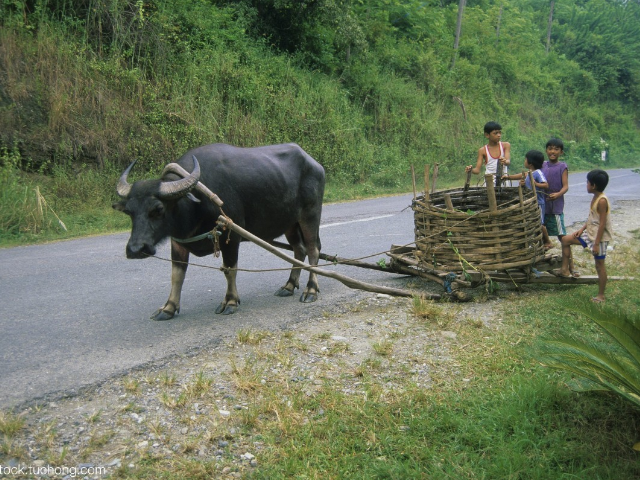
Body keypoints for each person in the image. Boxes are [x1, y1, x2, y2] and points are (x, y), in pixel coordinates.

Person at [554, 169, 613, 304]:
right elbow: (592, 217)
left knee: (599, 265)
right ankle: (565, 269)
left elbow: (602, 223)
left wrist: (597, 244)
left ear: (593, 186)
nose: (586, 185)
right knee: (565, 240)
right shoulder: (595, 197)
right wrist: (581, 230)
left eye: (587, 183)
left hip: (600, 237)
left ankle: (601, 295)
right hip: (590, 233)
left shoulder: (602, 200)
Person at [502, 150, 552, 249]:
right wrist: (508, 177)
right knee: (533, 222)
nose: (524, 161)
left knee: (540, 223)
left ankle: (548, 242)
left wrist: (535, 184)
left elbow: (546, 185)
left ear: (530, 163)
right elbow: (521, 175)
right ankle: (538, 241)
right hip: (530, 202)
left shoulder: (537, 173)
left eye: (525, 159)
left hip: (538, 202)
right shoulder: (529, 173)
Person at [541, 137, 576, 271]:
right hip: (543, 207)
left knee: (563, 238)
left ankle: (571, 267)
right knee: (539, 236)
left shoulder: (562, 166)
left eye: (556, 149)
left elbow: (565, 186)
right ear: (546, 150)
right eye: (550, 148)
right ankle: (540, 265)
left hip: (556, 208)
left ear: (561, 152)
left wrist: (558, 194)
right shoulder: (543, 165)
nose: (553, 151)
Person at [465, 121, 511, 185]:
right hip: (489, 183)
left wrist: (505, 161)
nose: (499, 135)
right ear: (487, 135)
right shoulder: (482, 150)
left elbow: (508, 161)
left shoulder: (506, 145)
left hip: (503, 182)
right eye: (495, 133)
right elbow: (477, 170)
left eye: (500, 133)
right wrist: (470, 170)